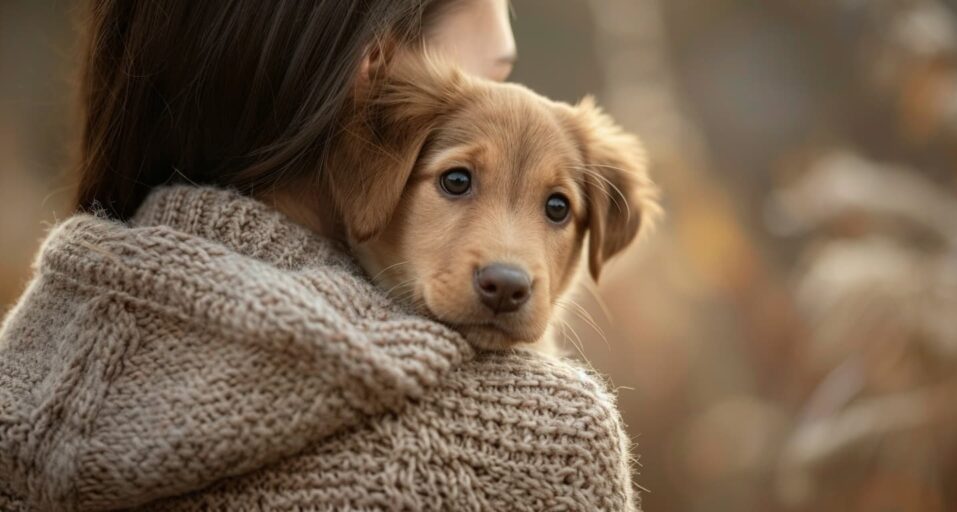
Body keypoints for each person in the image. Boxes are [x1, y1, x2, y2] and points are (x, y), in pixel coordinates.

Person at [0, 1, 636, 510]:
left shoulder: (27, 359)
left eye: (556, 208)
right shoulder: (542, 441)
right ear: (371, 67)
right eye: (494, 79)